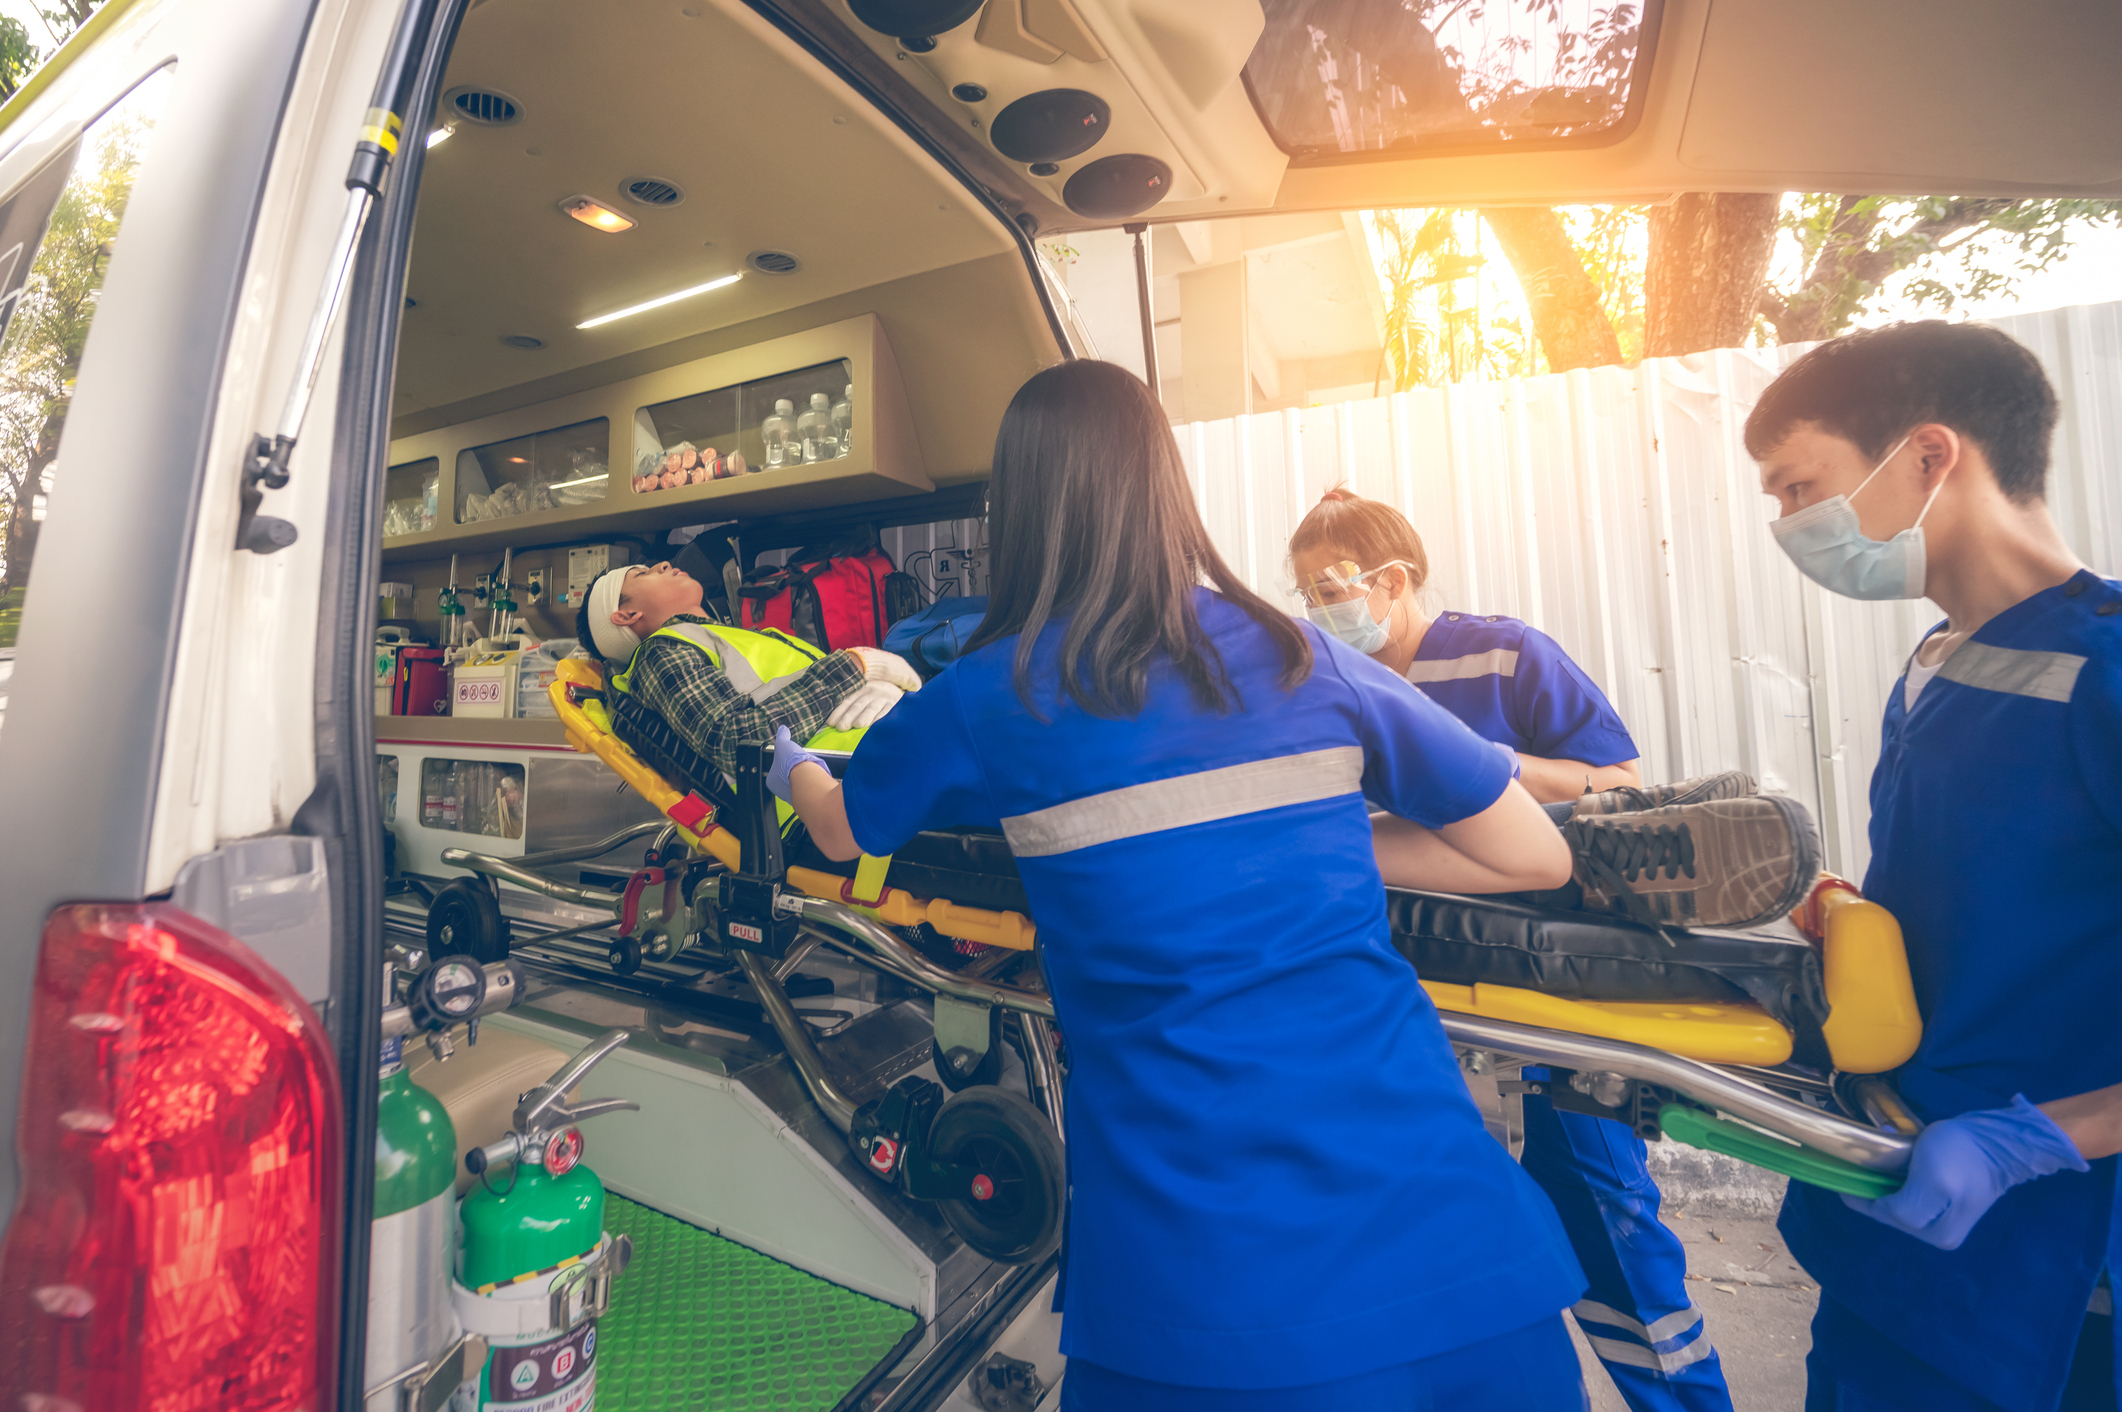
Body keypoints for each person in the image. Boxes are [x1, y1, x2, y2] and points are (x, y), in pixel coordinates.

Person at [775, 359, 1591, 1410]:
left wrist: (789, 757)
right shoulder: (1305, 653)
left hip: (1202, 1296)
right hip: (1453, 1251)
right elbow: (1535, 853)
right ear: (1165, 486)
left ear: (1013, 508)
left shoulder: (986, 695)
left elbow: (840, 830)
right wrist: (1320, 834)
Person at [1288, 490, 1741, 1412]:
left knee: (1615, 1246)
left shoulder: (1505, 655)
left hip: (1543, 1017)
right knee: (1456, 1263)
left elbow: (1622, 788)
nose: (1316, 608)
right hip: (1415, 1017)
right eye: (1302, 593)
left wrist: (1482, 764)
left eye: (1328, 587)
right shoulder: (1328, 681)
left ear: (1391, 582)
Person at [1746, 320, 2121, 1412]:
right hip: (1893, 1217)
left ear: (1927, 454)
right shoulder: (1937, 662)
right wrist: (1854, 915)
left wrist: (2040, 1136)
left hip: (2041, 1265)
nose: (1786, 523)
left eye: (1796, 485)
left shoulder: (2099, 674)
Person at [574, 560, 922, 788]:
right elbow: (738, 742)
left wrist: (892, 690)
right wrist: (858, 665)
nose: (664, 563)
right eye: (643, 573)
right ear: (626, 614)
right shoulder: (660, 654)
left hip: (887, 750)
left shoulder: (729, 635)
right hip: (855, 784)